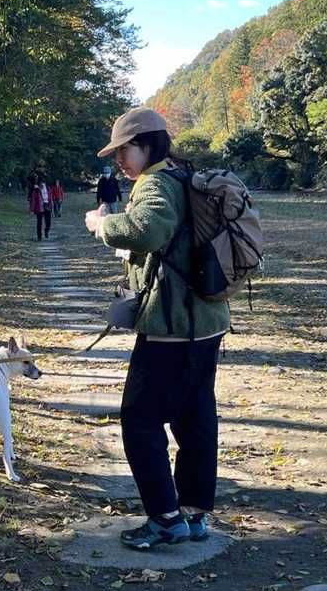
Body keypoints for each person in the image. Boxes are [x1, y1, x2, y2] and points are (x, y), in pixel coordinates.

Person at [84, 106, 229, 551]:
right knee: (194, 417)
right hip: (206, 320)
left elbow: (146, 231)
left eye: (124, 150)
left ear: (147, 145)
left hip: (172, 326)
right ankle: (194, 514)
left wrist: (103, 225)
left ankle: (165, 519)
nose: (120, 161)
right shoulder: (184, 176)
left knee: (140, 419)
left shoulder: (156, 184)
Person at [28, 172, 52, 240]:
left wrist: (51, 205)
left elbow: (50, 197)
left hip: (47, 205)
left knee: (48, 222)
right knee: (39, 222)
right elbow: (33, 200)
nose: (42, 184)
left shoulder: (47, 188)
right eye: (40, 183)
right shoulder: (36, 190)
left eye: (43, 183)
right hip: (39, 207)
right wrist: (32, 209)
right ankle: (39, 236)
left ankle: (46, 231)